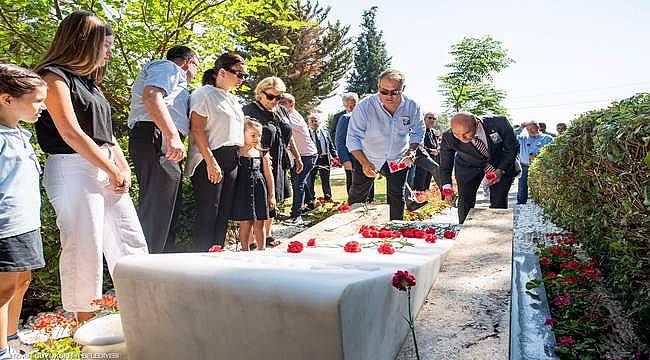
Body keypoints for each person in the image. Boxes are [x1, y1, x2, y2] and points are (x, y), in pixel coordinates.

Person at [34, 11, 148, 322]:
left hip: (105, 166)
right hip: (72, 169)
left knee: (129, 241)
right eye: (105, 46)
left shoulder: (91, 84)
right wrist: (111, 169)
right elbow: (70, 132)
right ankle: (85, 327)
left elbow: (105, 134)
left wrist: (120, 166)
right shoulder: (53, 77)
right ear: (84, 43)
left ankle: (141, 314)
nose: (108, 52)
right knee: (85, 246)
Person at [127, 45, 199, 253]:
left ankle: (161, 262)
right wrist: (171, 135)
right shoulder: (168, 67)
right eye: (196, 66)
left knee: (168, 206)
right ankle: (145, 267)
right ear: (187, 62)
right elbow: (151, 96)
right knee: (157, 206)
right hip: (157, 135)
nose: (195, 73)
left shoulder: (178, 81)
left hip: (164, 139)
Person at [0, 64, 47, 359]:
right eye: (37, 101)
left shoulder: (19, 134)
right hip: (6, 225)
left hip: (26, 222)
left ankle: (12, 336)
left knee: (22, 281)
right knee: (3, 290)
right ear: (7, 99)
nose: (42, 107)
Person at [186, 52, 247, 250]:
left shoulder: (232, 99)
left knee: (223, 212)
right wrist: (211, 161)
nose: (242, 79)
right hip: (210, 157)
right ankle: (200, 261)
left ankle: (216, 254)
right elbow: (197, 129)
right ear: (222, 72)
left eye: (244, 75)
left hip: (231, 158)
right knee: (208, 212)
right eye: (239, 74)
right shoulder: (203, 94)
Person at [346, 69, 425, 220]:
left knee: (397, 195)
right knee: (358, 194)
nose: (389, 96)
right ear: (378, 87)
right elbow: (353, 138)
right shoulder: (364, 107)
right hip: (367, 156)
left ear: (403, 89)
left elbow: (418, 131)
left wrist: (412, 150)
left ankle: (395, 230)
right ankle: (352, 229)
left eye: (394, 92)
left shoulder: (412, 106)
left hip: (398, 158)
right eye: (384, 91)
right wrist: (364, 162)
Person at [243, 77, 303, 238]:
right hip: (259, 160)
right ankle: (251, 241)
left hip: (279, 159)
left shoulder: (281, 110)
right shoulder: (249, 110)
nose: (275, 101)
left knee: (274, 197)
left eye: (279, 97)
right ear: (260, 93)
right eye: (271, 97)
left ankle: (268, 236)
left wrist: (297, 157)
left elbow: (288, 135)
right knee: (259, 199)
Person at [439, 112, 519, 224]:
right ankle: (464, 231)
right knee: (465, 201)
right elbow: (445, 165)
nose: (462, 138)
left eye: (466, 133)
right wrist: (447, 187)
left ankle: (498, 232)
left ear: (477, 124)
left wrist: (501, 170)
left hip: (499, 163)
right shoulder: (448, 136)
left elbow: (512, 148)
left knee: (499, 202)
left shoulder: (499, 123)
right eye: (456, 134)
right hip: (468, 167)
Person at [231, 120, 275, 251]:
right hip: (242, 190)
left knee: (259, 222)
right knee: (245, 222)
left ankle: (261, 250)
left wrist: (271, 195)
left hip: (259, 189)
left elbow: (268, 175)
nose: (257, 138)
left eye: (259, 135)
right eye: (253, 135)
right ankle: (245, 249)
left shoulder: (262, 153)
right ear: (243, 134)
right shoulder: (237, 152)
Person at [278, 94, 318, 211]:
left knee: (298, 183)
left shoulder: (291, 117)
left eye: (283, 102)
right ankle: (310, 203)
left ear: (291, 104)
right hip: (301, 155)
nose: (279, 104)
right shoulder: (290, 115)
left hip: (307, 155)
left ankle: (296, 213)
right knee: (301, 180)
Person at [334, 92, 366, 196]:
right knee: (354, 186)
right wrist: (345, 160)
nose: (351, 108)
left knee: (367, 185)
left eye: (353, 105)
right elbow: (340, 141)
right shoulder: (344, 118)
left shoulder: (365, 116)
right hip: (352, 158)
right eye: (347, 106)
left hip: (367, 156)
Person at [516, 121, 553, 204]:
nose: (530, 131)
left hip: (541, 166)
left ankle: (543, 203)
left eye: (532, 128)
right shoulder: (523, 138)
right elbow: (511, 136)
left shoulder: (547, 138)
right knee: (522, 186)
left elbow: (552, 153)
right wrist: (521, 128)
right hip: (525, 166)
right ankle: (521, 203)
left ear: (538, 127)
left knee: (542, 185)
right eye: (528, 129)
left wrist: (539, 156)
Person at [307, 113, 337, 202]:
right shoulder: (306, 134)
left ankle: (328, 198)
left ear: (319, 122)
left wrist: (335, 157)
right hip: (312, 159)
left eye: (315, 121)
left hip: (324, 159)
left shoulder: (325, 132)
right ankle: (311, 199)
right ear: (308, 123)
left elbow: (331, 146)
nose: (313, 123)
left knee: (326, 180)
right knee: (310, 180)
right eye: (311, 121)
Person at [414, 112, 442, 192]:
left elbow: (435, 144)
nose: (432, 120)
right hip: (421, 159)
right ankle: (418, 199)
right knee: (420, 182)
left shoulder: (433, 132)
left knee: (427, 182)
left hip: (433, 158)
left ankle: (425, 199)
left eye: (434, 119)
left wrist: (438, 149)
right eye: (430, 118)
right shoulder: (420, 130)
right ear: (424, 119)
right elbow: (418, 144)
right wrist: (430, 150)